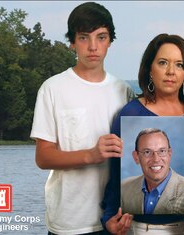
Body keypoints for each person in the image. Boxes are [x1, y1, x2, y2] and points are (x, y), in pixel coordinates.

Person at [30, 2, 134, 234]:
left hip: (115, 217)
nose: (93, 47)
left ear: (110, 41)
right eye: (84, 38)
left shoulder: (123, 90)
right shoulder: (53, 88)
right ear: (72, 42)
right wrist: (90, 154)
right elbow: (43, 157)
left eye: (102, 37)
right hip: (69, 220)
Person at [101, 33, 184, 234]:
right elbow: (115, 175)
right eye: (163, 63)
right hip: (141, 228)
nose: (171, 71)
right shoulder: (131, 113)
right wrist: (109, 218)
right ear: (150, 69)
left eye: (179, 65)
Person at [121, 128, 184, 215]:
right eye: (147, 152)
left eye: (162, 151)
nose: (156, 159)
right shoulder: (123, 188)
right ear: (136, 157)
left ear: (169, 154)